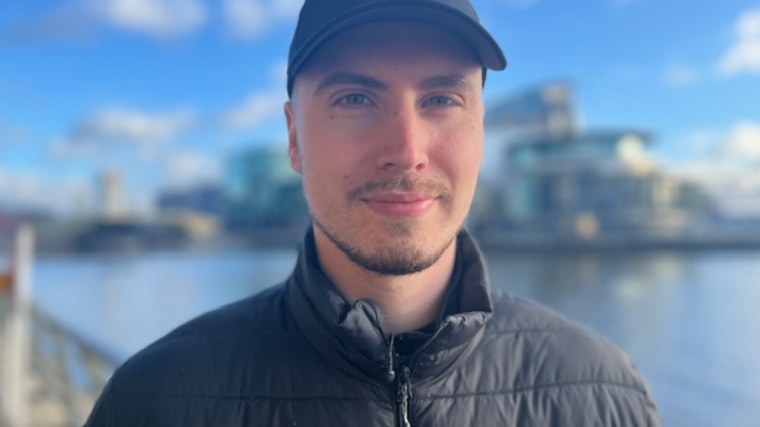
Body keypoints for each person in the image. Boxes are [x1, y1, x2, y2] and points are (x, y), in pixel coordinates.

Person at [83, 0, 662, 425]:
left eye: (441, 99)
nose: (407, 151)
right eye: (354, 99)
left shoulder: (604, 393)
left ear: (482, 130)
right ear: (293, 138)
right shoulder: (153, 401)